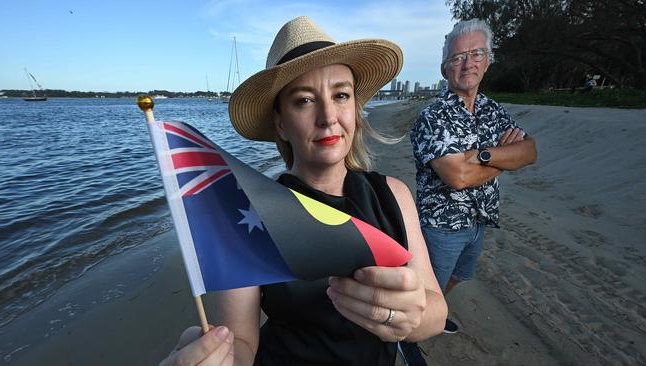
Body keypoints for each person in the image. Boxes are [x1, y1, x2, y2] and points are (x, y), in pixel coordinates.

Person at [160, 16, 447, 366]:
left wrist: (413, 319)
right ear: (280, 122)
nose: (328, 116)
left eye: (340, 95)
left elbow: (435, 308)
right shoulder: (251, 214)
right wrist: (214, 357)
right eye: (304, 100)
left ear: (355, 109)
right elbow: (243, 344)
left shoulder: (394, 196)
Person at [410, 19, 537, 334]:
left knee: (460, 275)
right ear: (445, 69)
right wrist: (506, 159)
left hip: (479, 219)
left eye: (476, 54)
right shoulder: (433, 116)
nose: (467, 63)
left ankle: (433, 312)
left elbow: (530, 151)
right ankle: (409, 332)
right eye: (457, 58)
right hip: (442, 226)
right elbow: (459, 178)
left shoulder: (492, 110)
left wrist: (484, 155)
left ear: (488, 61)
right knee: (424, 288)